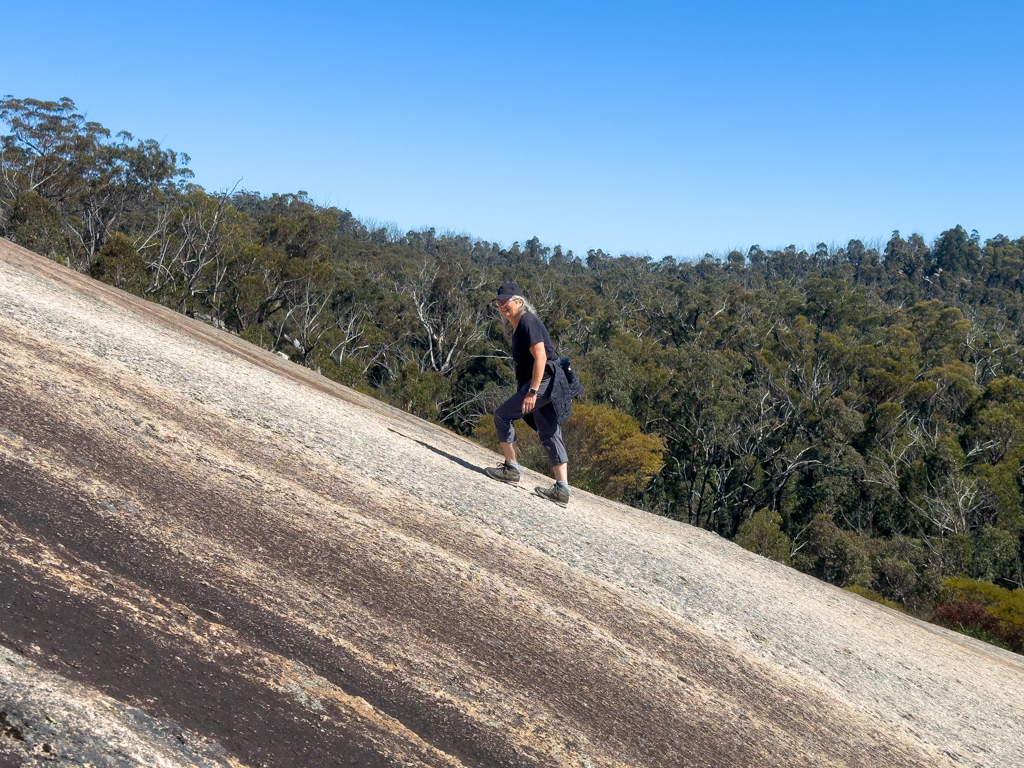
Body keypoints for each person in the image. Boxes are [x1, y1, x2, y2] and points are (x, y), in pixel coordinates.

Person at [484, 281, 574, 506]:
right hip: (550, 382)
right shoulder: (519, 323)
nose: (502, 306)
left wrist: (532, 392)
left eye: (506, 302)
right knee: (549, 431)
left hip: (543, 381)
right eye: (499, 303)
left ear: (519, 302)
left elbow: (541, 357)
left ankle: (511, 469)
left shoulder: (527, 320)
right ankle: (562, 490)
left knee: (503, 415)